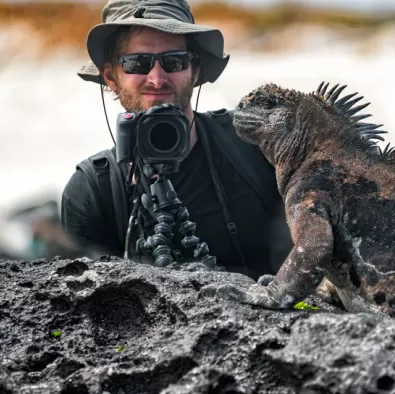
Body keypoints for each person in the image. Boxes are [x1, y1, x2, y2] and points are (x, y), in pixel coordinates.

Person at [60, 0, 293, 280]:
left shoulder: (257, 144)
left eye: (175, 61)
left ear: (195, 70)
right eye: (137, 63)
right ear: (111, 76)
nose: (157, 79)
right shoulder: (91, 192)